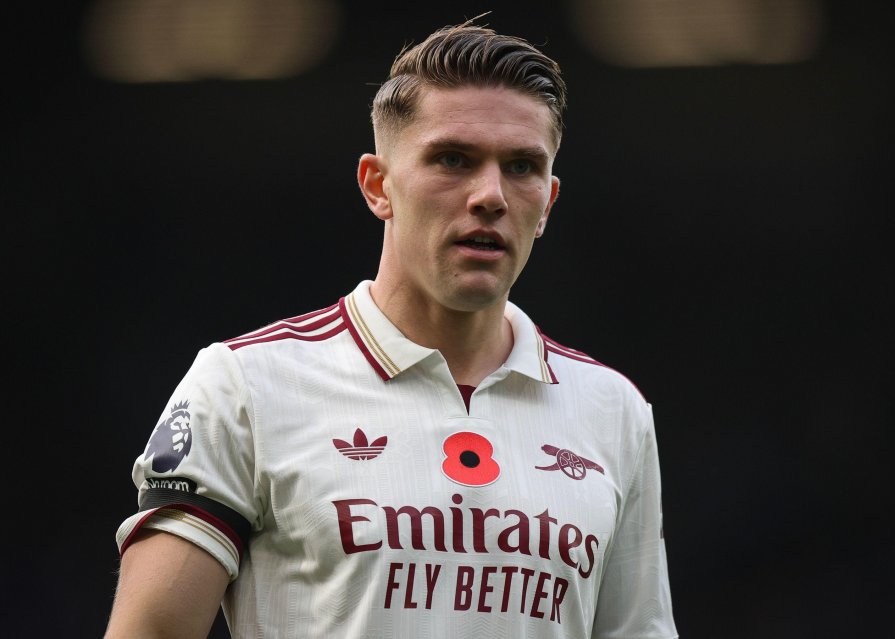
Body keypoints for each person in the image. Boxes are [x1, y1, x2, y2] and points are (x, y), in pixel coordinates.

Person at [105, 18, 679, 639]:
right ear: (378, 186)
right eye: (453, 159)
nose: (491, 195)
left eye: (521, 166)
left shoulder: (613, 410)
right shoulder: (245, 386)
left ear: (547, 204)